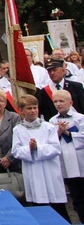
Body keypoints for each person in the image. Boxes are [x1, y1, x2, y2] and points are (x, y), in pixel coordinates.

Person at [12, 94, 69, 222]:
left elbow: (56, 148)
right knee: (39, 205)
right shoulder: (18, 130)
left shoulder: (48, 127)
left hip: (50, 170)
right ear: (21, 111)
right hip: (33, 171)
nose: (33, 111)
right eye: (29, 108)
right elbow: (16, 151)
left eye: (35, 108)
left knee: (57, 205)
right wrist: (29, 149)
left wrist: (38, 148)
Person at [50, 89, 84, 222]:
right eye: (55, 101)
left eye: (61, 101)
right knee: (76, 197)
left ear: (70, 102)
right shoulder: (52, 120)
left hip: (80, 161)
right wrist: (58, 132)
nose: (58, 104)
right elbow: (51, 141)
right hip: (66, 163)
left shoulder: (80, 118)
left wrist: (69, 133)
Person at [37, 57, 84, 121]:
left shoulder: (76, 87)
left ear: (63, 71)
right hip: (55, 125)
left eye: (54, 70)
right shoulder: (43, 92)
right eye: (49, 71)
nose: (52, 73)